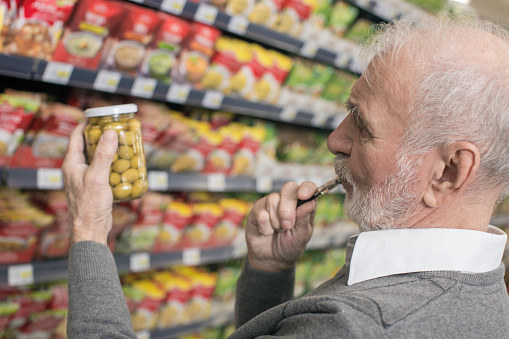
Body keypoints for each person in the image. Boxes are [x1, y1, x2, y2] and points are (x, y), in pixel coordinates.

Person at [63, 14, 509, 338]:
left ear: (448, 171)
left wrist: (89, 231)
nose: (335, 140)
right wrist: (269, 271)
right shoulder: (482, 289)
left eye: (362, 123)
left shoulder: (359, 325)